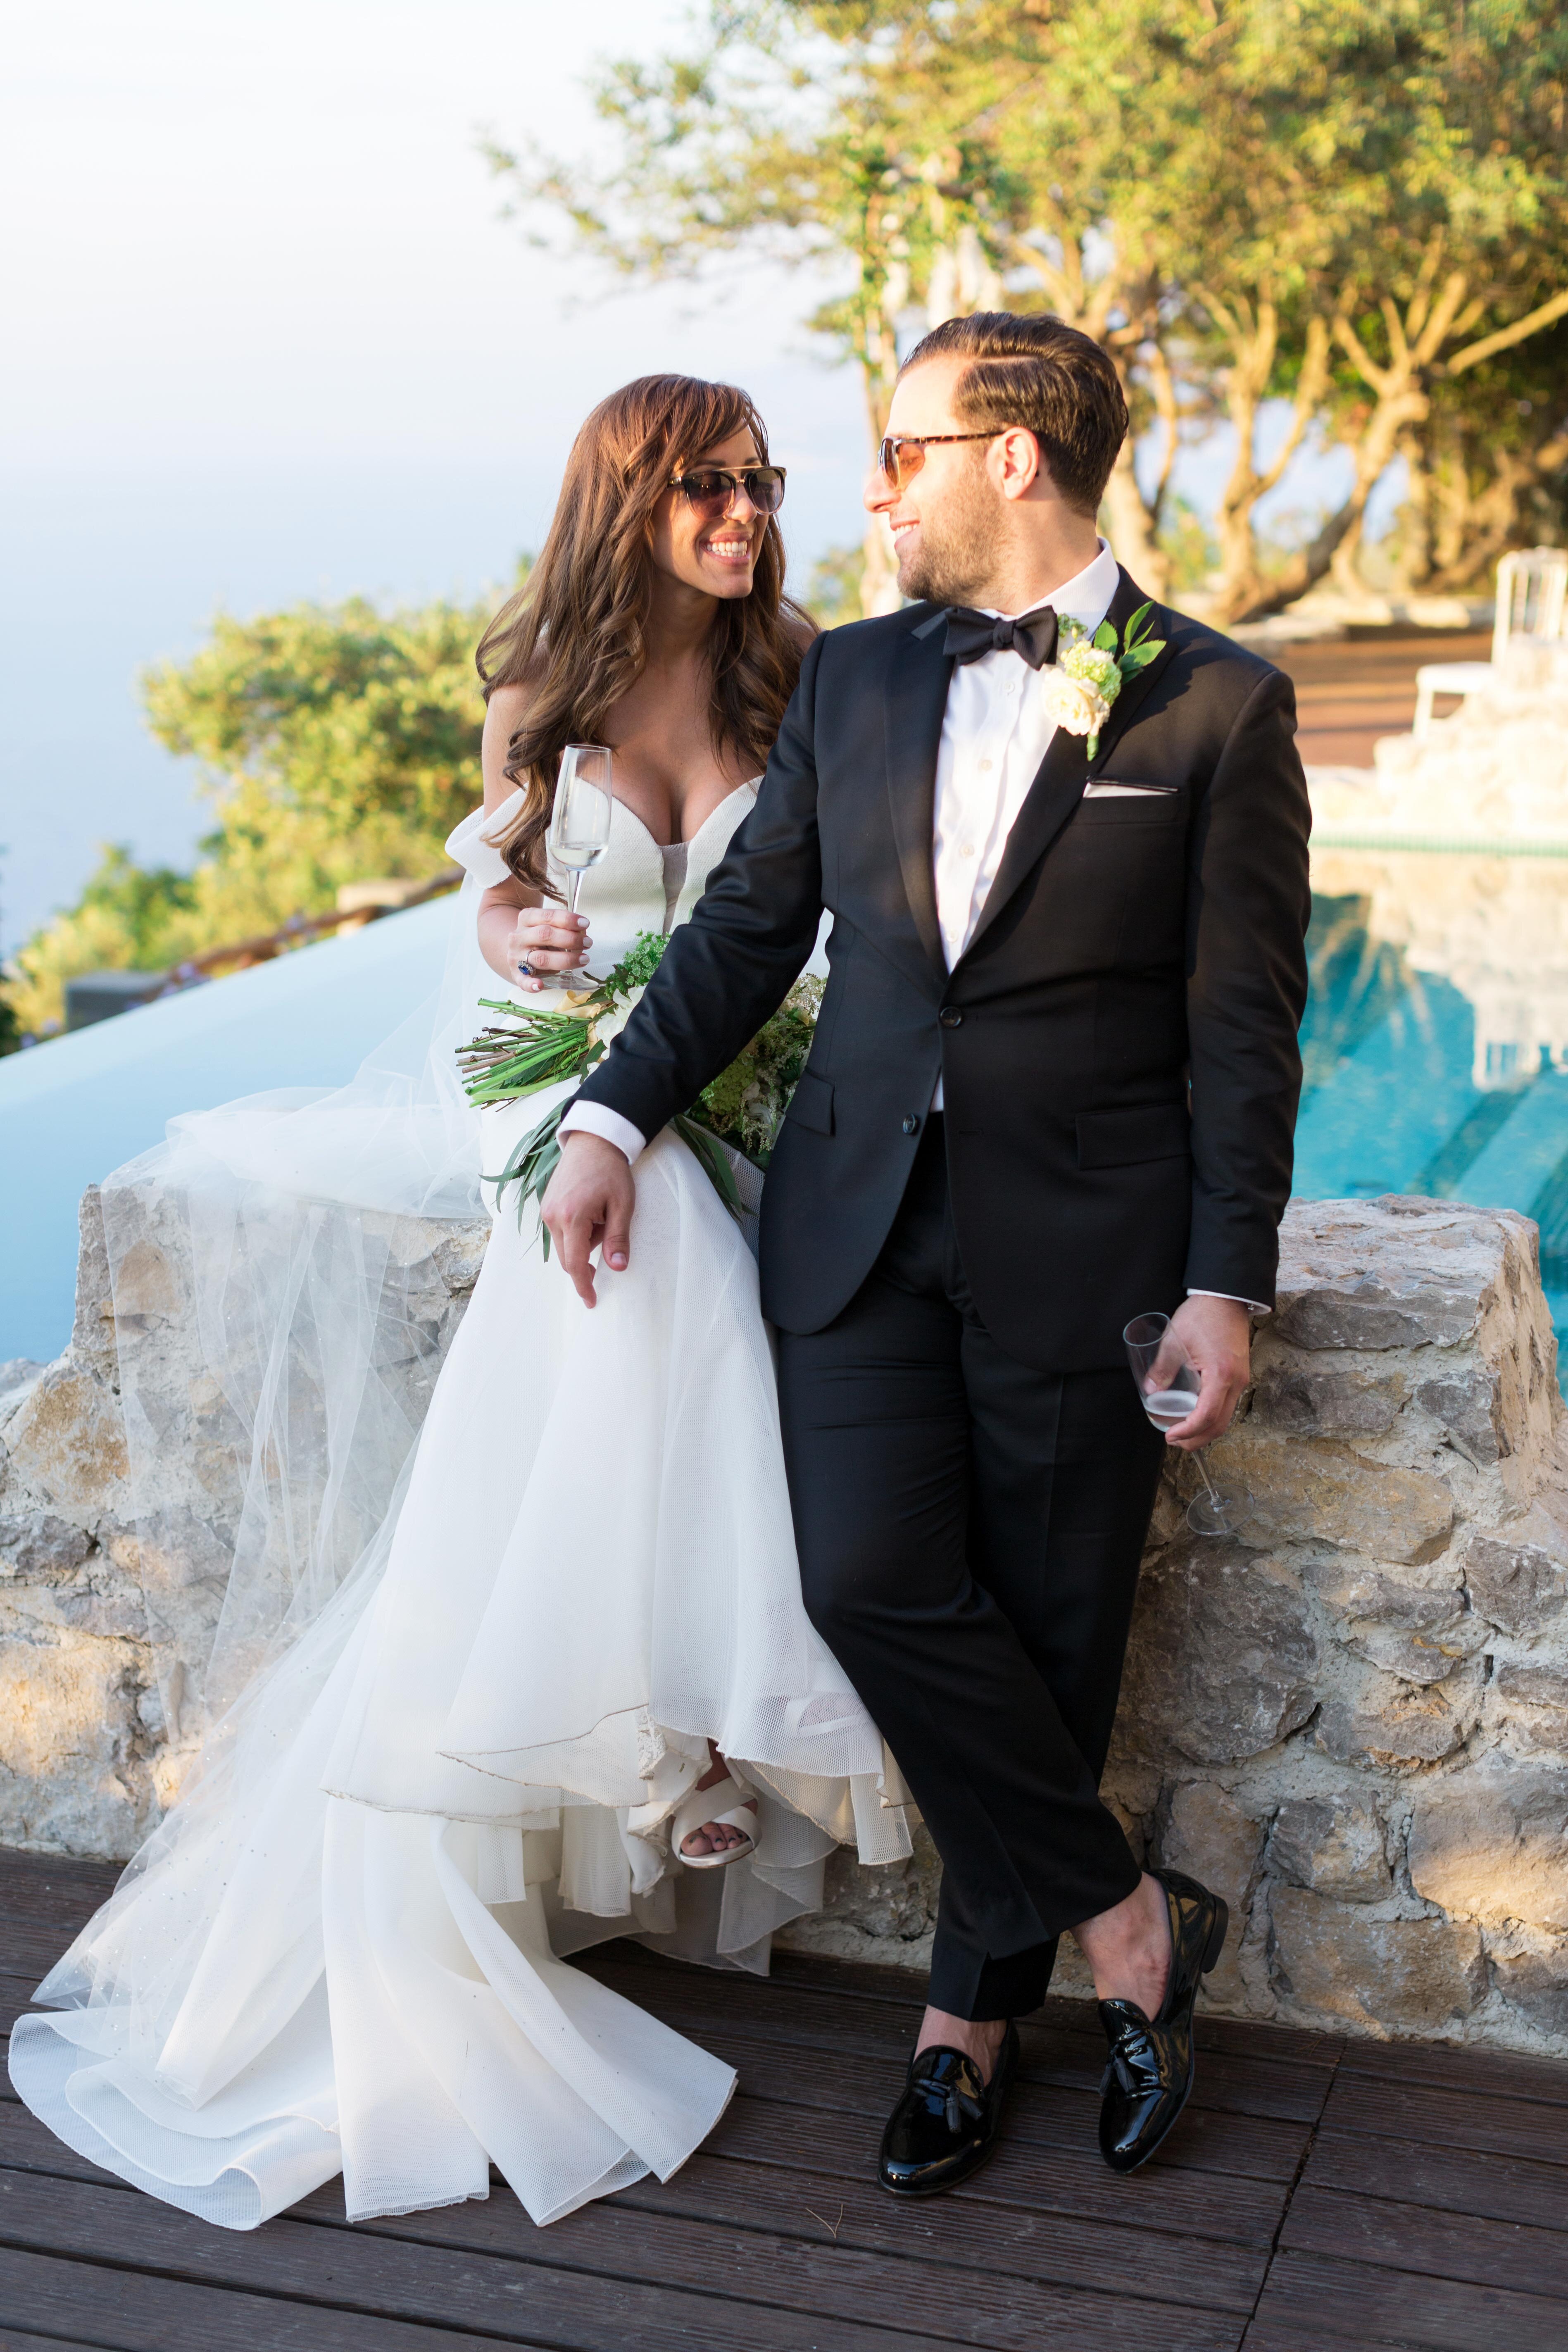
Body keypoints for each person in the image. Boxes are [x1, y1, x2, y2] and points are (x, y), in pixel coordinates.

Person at [8, 374, 912, 2232]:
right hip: (556, 1072)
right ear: (628, 499)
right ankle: (695, 1734)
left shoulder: (804, 670)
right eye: (707, 490)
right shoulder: (540, 683)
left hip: (747, 1051)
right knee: (636, 1202)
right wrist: (516, 928)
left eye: (761, 483)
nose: (745, 517)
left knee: (668, 1204)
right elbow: (494, 895)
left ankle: (674, 1726)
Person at [544, 311, 1312, 2194]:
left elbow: (1245, 1028)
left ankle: (963, 2020)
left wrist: (1227, 1279)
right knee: (870, 1575)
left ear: (1013, 461)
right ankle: (1134, 1931)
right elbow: (741, 933)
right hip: (855, 1220)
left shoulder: (1218, 705)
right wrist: (607, 1115)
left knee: (1053, 1635)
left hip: (1092, 1244)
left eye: (898, 450)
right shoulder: (857, 681)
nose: (867, 490)